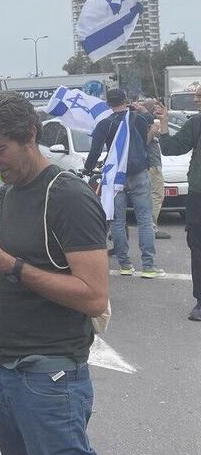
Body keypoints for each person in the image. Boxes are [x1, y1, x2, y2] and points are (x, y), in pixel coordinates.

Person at [0, 92, 110, 455]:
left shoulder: (67, 196)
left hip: (48, 375)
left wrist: (6, 262)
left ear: (31, 137)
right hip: (1, 367)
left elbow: (94, 297)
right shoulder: (6, 194)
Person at [82, 88, 163, 278]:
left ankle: (125, 265)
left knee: (117, 221)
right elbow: (150, 126)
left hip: (115, 177)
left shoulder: (104, 124)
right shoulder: (138, 119)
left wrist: (87, 169)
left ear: (108, 103)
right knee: (144, 220)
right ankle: (149, 266)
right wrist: (142, 109)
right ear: (125, 100)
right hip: (139, 173)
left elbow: (94, 152)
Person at [155, 87, 201, 321]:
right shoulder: (196, 123)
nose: (195, 99)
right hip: (197, 195)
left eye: (199, 96)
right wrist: (163, 123)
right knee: (198, 247)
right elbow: (171, 148)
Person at [136, 99, 171, 239]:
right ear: (150, 108)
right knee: (157, 195)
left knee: (151, 196)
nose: (158, 109)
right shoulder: (146, 122)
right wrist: (153, 131)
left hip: (152, 164)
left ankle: (149, 226)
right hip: (151, 164)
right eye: (156, 106)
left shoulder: (149, 121)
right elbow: (143, 143)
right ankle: (152, 227)